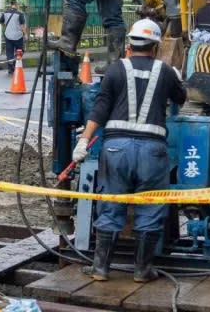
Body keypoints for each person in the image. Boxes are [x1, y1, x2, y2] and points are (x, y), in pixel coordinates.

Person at [71, 18, 186, 283]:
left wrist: (83, 141)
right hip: (152, 152)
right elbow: (181, 98)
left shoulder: (115, 69)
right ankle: (142, 270)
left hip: (115, 149)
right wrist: (177, 79)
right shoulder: (165, 72)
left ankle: (100, 268)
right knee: (150, 208)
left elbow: (99, 107)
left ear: (129, 45)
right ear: (156, 46)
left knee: (111, 204)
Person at [0, 0, 26, 74]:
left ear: (11, 5)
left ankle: (10, 68)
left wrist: (6, 27)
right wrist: (25, 34)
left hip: (8, 35)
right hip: (18, 36)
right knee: (20, 50)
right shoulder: (20, 14)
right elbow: (22, 25)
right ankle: (15, 64)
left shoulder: (5, 13)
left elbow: (0, 21)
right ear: (16, 5)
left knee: (9, 52)